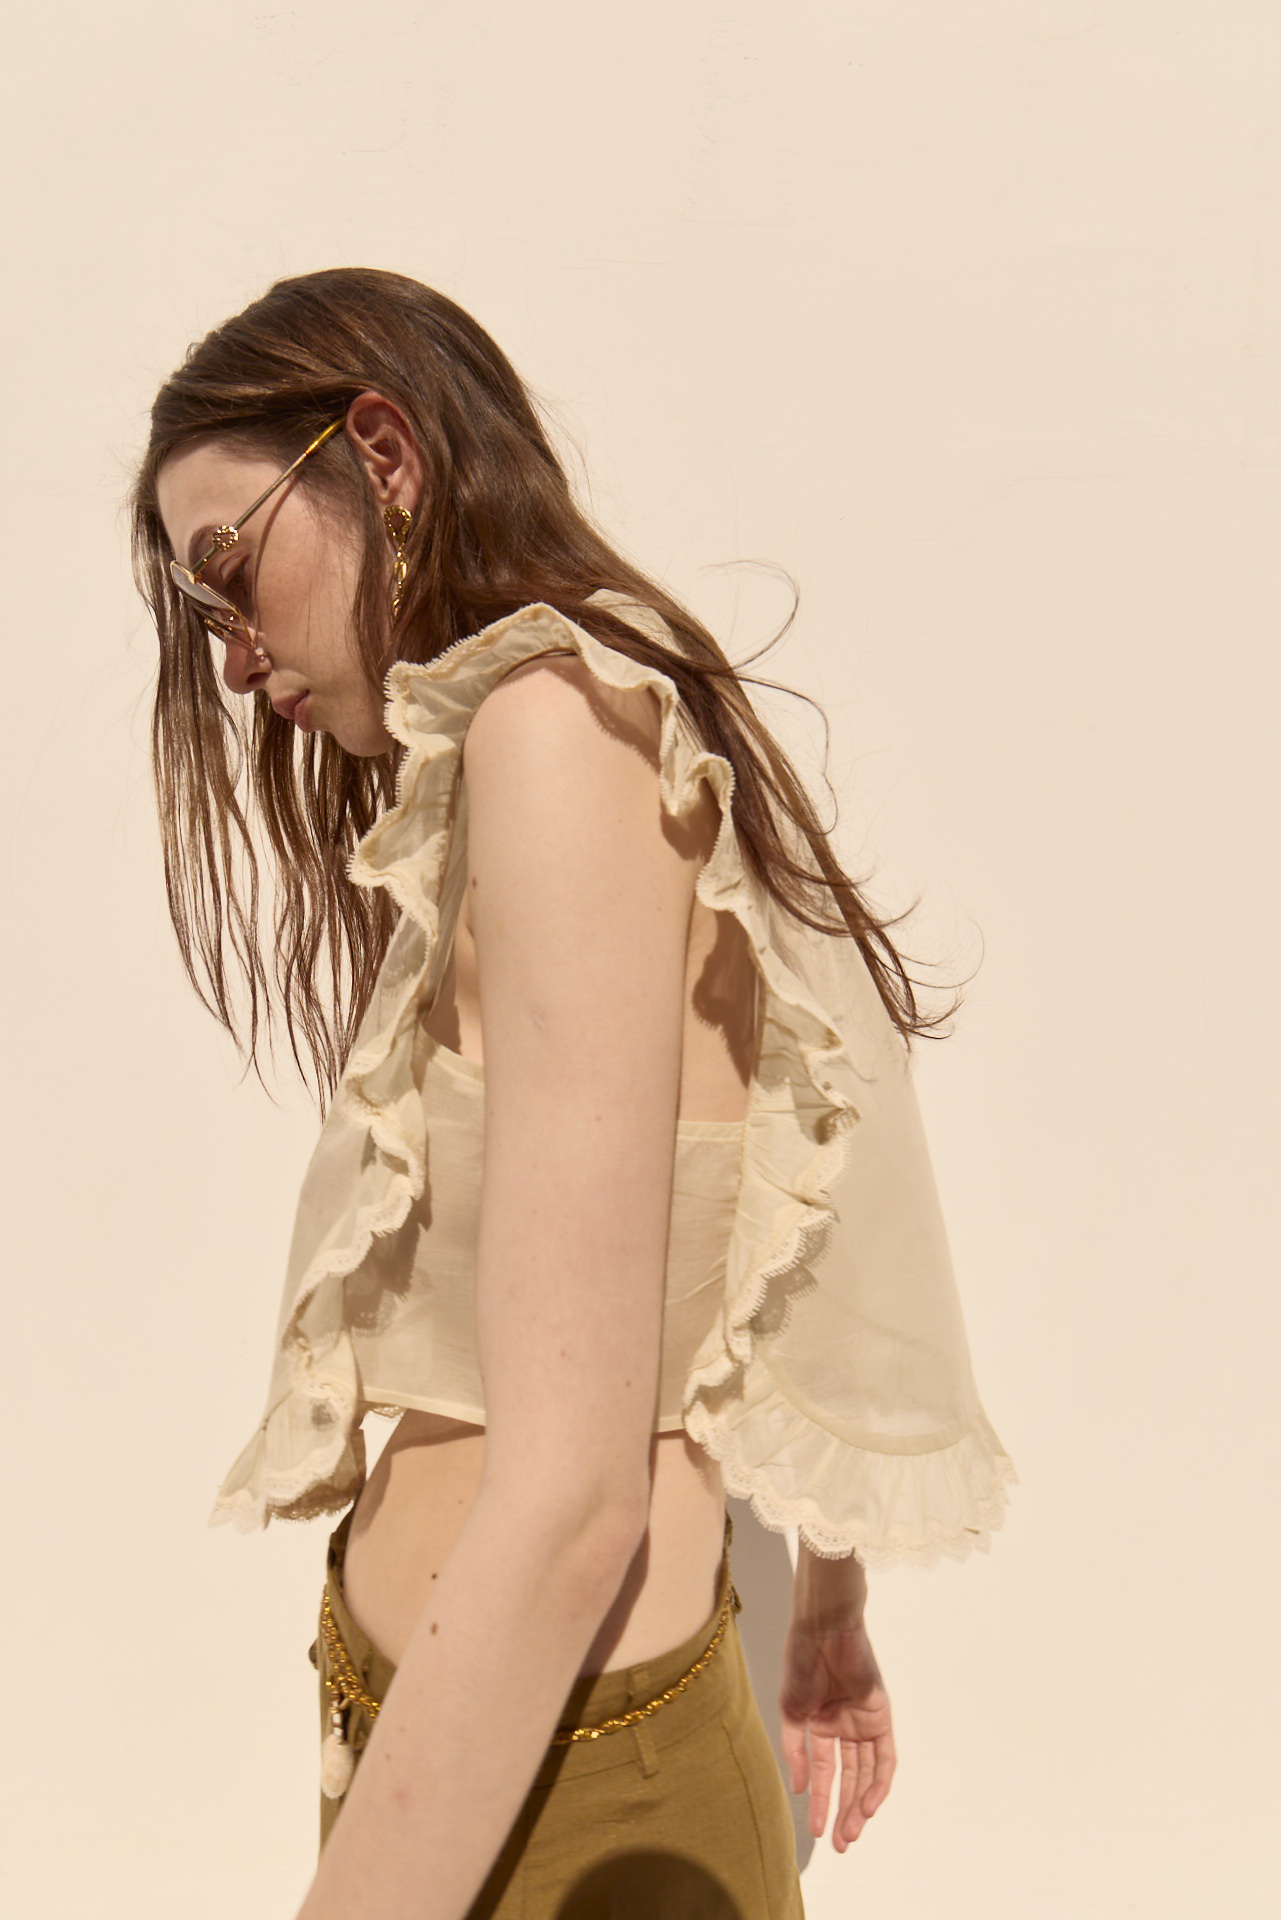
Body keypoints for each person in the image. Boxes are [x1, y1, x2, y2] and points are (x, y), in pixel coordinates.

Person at [129, 266, 1017, 1920]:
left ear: (381, 453)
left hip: (565, 1778)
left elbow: (571, 1501)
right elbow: (801, 1150)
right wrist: (829, 1601)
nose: (237, 661)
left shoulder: (558, 726)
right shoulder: (610, 702)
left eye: (233, 572)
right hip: (502, 1745)